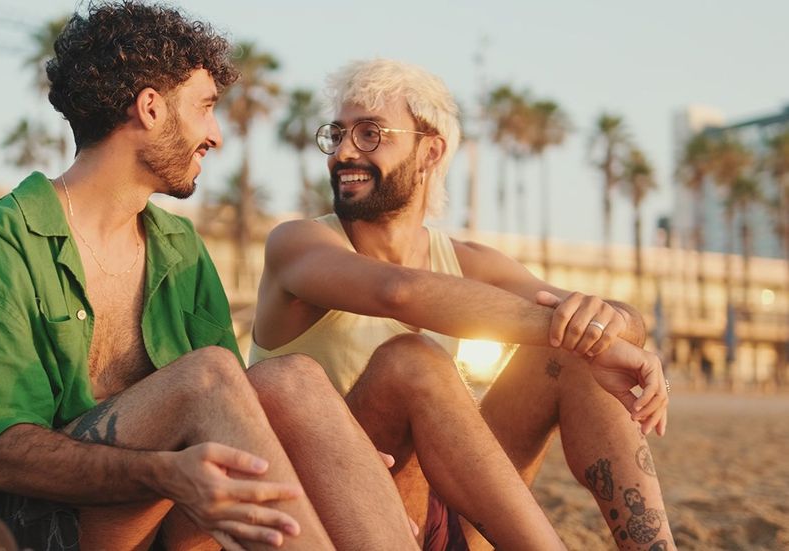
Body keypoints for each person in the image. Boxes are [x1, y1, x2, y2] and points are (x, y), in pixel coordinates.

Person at [0, 6, 417, 551]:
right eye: (206, 108)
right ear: (151, 108)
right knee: (204, 376)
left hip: (166, 519)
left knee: (290, 380)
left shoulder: (180, 249)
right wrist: (163, 472)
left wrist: (335, 460)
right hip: (34, 527)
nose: (216, 135)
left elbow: (239, 413)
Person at [251, 59, 676, 550]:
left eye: (370, 134)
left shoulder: (469, 261)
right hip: (340, 516)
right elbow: (399, 293)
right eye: (337, 133)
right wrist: (593, 337)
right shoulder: (300, 244)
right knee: (412, 361)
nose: (344, 152)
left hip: (448, 512)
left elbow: (613, 320)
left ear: (430, 151)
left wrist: (614, 326)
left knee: (569, 350)